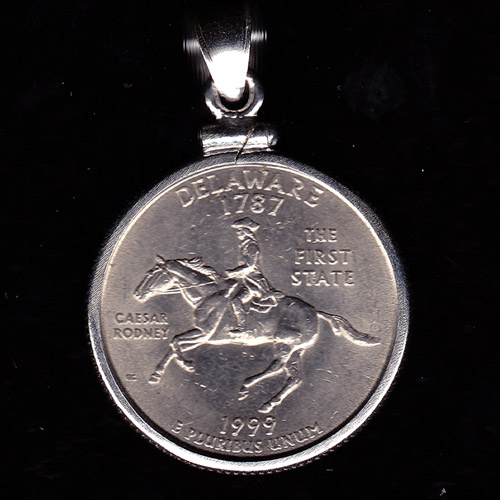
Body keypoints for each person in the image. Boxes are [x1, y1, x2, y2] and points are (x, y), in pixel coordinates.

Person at [225, 217, 283, 331]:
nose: (237, 233)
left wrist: (234, 272)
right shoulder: (245, 245)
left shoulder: (252, 246)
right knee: (236, 301)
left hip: (255, 281)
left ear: (246, 231)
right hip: (247, 281)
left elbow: (250, 266)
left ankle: (246, 327)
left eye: (239, 230)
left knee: (251, 302)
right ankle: (242, 326)